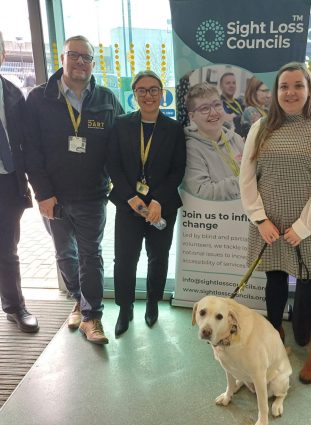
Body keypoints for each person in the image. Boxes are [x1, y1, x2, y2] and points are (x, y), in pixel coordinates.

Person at [240, 62, 311, 384]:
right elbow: (246, 177)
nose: (290, 92)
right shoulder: (261, 127)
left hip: (308, 224)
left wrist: (303, 227)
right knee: (273, 280)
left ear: (309, 89)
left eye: (298, 85)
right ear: (276, 92)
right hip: (268, 222)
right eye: (284, 86)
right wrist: (259, 219)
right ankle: (275, 340)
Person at [23, 35, 124, 345]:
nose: (81, 62)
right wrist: (42, 193)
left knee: (91, 256)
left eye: (87, 57)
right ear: (62, 58)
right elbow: (31, 149)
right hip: (55, 196)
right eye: (75, 55)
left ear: (93, 63)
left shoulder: (106, 99)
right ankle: (79, 301)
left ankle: (92, 317)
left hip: (93, 195)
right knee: (64, 255)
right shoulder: (39, 99)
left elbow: (121, 144)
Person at [107, 70, 186, 337]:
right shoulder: (121, 124)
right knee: (125, 259)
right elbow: (112, 164)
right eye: (142, 90)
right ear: (134, 94)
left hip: (161, 207)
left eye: (154, 90)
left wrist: (159, 202)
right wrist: (131, 197)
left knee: (158, 257)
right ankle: (124, 308)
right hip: (128, 204)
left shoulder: (174, 129)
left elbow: (178, 170)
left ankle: (152, 304)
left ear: (162, 93)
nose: (148, 95)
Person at [0, 30, 39, 333]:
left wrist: (29, 182)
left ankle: (15, 306)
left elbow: (26, 142)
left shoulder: (13, 94)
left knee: (6, 249)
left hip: (7, 182)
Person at [183, 83, 244, 201]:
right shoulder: (190, 149)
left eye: (217, 105)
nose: (214, 113)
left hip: (243, 214)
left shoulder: (236, 138)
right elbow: (202, 191)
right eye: (205, 108)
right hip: (213, 217)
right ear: (192, 116)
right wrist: (244, 181)